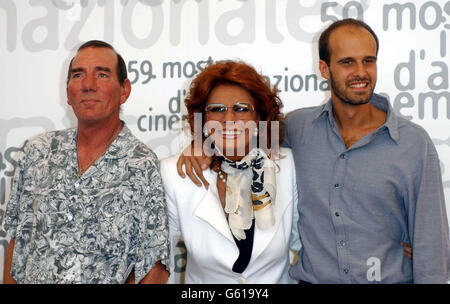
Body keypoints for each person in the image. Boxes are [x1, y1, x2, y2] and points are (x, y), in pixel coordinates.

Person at [176, 19, 449, 283]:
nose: (361, 72)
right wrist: (202, 143)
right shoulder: (296, 128)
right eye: (346, 62)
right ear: (323, 68)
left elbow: (431, 244)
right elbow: (241, 136)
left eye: (369, 60)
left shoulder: (413, 143)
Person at [1, 40, 170, 284]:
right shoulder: (37, 152)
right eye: (78, 75)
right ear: (68, 92)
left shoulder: (142, 165)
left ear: (124, 90)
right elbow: (18, 243)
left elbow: (154, 266)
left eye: (102, 74)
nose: (88, 85)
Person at [161, 61, 300, 283]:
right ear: (203, 119)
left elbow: (307, 248)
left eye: (241, 109)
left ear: (259, 118)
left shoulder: (288, 167)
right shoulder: (175, 174)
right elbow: (159, 261)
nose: (228, 120)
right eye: (216, 110)